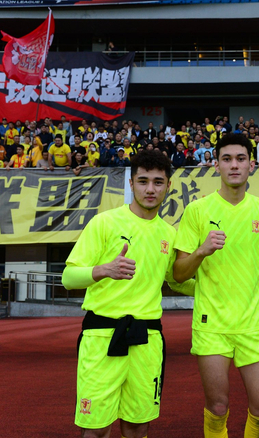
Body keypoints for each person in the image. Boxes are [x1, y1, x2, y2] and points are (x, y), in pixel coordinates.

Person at [62, 150, 195, 438]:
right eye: (143, 181)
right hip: (101, 337)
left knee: (137, 427)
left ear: (168, 186)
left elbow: (177, 281)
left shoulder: (169, 234)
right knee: (96, 429)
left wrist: (214, 284)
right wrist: (103, 270)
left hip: (147, 340)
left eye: (158, 182)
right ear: (131, 183)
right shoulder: (104, 223)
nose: (150, 189)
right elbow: (68, 278)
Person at [172, 133, 259, 438]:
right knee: (217, 407)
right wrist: (201, 251)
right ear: (216, 165)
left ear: (251, 165)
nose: (234, 165)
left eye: (241, 159)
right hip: (211, 326)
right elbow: (179, 273)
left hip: (252, 325)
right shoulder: (197, 211)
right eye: (226, 159)